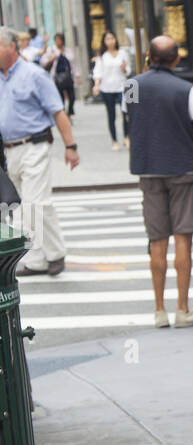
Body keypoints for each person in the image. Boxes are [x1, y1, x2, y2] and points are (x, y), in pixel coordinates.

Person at [126, 35, 193, 329]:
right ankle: (183, 309)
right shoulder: (187, 89)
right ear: (176, 60)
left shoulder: (132, 86)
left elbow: (133, 118)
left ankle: (159, 310)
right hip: (183, 168)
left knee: (157, 240)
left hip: (148, 168)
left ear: (148, 57)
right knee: (183, 238)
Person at [0, 26, 79, 276]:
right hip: (9, 150)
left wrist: (71, 146)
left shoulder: (34, 74)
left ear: (12, 47)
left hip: (35, 145)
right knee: (30, 204)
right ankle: (52, 254)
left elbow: (58, 112)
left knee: (34, 203)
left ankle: (38, 259)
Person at [93, 31, 133, 150]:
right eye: (107, 39)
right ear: (104, 42)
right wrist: (96, 85)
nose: (110, 41)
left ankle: (127, 137)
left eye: (112, 38)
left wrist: (124, 69)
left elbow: (129, 70)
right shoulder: (102, 56)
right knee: (111, 115)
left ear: (116, 39)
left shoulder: (122, 53)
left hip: (122, 87)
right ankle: (114, 140)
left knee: (125, 112)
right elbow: (98, 72)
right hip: (107, 88)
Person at [40, 33, 77, 117]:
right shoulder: (51, 50)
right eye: (56, 40)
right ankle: (63, 115)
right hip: (57, 77)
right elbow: (43, 61)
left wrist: (77, 76)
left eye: (59, 40)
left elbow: (73, 64)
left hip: (68, 77)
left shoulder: (68, 50)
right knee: (61, 98)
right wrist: (52, 58)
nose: (58, 42)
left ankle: (69, 112)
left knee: (72, 97)